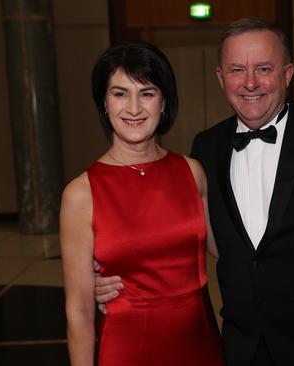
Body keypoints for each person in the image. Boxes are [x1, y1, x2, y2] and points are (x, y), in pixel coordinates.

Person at [96, 18, 294, 365]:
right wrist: (108, 274)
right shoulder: (206, 148)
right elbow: (172, 236)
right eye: (238, 69)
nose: (250, 83)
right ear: (221, 78)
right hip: (241, 352)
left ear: (287, 74)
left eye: (264, 68)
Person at [60, 42, 224, 366]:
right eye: (120, 93)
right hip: (127, 352)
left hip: (200, 346)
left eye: (147, 93)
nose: (133, 108)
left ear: (164, 103)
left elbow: (230, 250)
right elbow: (78, 310)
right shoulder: (81, 193)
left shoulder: (192, 172)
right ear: (104, 104)